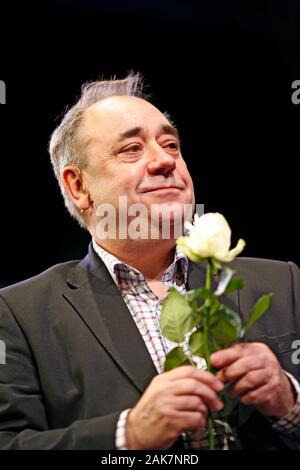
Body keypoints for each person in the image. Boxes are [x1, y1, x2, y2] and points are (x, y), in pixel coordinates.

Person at [0, 73, 299, 450]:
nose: (164, 161)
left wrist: (290, 402)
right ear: (79, 187)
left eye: (171, 144)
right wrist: (128, 434)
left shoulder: (283, 284)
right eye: (132, 149)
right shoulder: (19, 314)